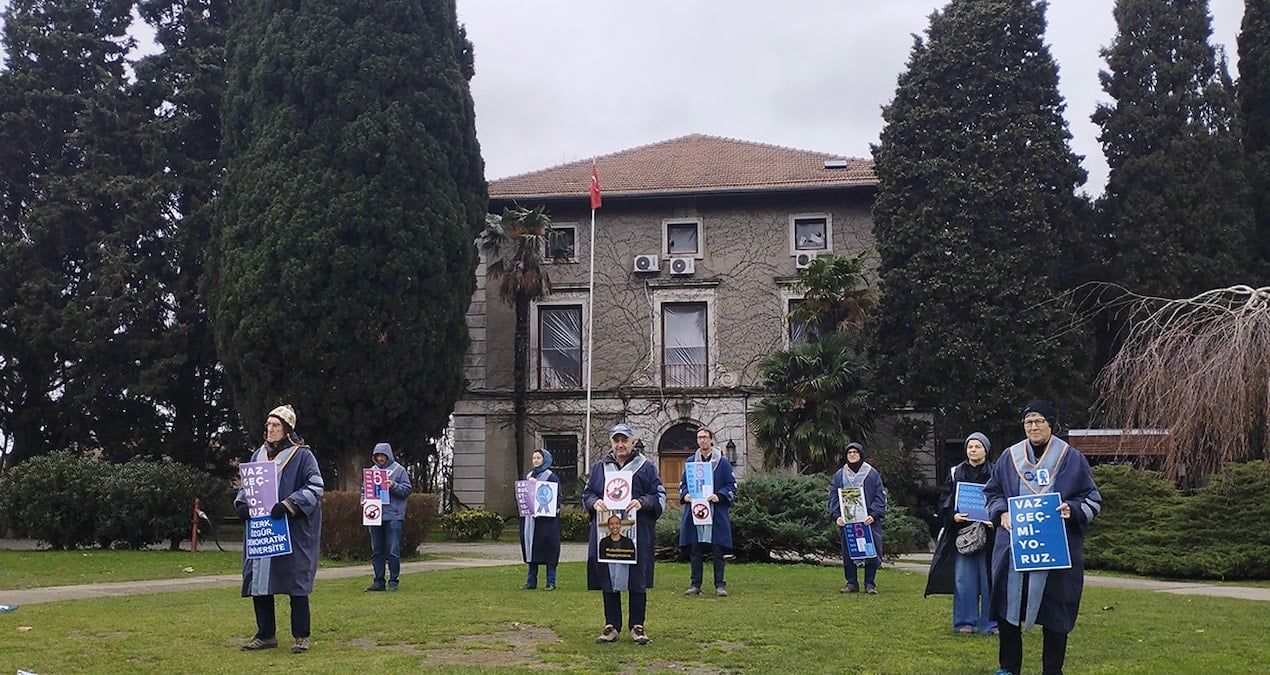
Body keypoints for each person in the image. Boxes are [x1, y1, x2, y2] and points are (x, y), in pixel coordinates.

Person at [984, 400, 1102, 675]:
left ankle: (1052, 669)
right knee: (1007, 607)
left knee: (1055, 611)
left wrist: (1072, 510)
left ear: (1051, 424)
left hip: (1056, 550)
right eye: (1029, 422)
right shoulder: (1009, 457)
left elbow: (1092, 498)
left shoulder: (1071, 458)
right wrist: (1001, 513)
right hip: (1014, 547)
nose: (1033, 426)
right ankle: (1008, 668)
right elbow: (992, 492)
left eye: (1039, 421)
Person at [235, 405, 325, 654]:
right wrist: (242, 503)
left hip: (291, 528)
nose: (270, 430)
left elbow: (316, 487)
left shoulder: (303, 456)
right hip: (262, 529)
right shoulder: (258, 456)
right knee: (260, 582)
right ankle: (265, 634)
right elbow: (247, 486)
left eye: (275, 425)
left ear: (287, 429)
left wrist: (289, 504)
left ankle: (301, 636)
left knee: (295, 581)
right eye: (268, 425)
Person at [583, 423, 665, 646]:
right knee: (609, 577)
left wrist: (642, 502)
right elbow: (588, 493)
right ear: (612, 443)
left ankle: (637, 626)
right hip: (606, 531)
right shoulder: (600, 468)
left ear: (632, 442)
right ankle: (612, 625)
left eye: (624, 440)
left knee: (636, 579)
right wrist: (594, 502)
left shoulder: (646, 468)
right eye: (616, 440)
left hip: (636, 533)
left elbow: (658, 495)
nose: (620, 445)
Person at [925, 432, 998, 634]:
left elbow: (1001, 497)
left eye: (977, 446)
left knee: (990, 579)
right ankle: (965, 622)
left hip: (990, 534)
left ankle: (992, 623)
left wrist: (996, 519)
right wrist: (953, 516)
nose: (973, 450)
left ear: (986, 449)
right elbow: (945, 500)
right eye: (970, 447)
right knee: (963, 579)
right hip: (962, 535)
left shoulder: (996, 471)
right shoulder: (956, 472)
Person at [679, 426, 737, 597]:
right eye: (699, 437)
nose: (702, 440)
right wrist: (686, 495)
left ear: (711, 439)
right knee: (695, 549)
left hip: (715, 511)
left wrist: (720, 496)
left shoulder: (722, 462)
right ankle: (695, 584)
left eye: (705, 437)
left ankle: (720, 585)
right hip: (696, 511)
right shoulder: (691, 462)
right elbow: (683, 484)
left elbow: (731, 485)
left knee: (717, 549)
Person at [828, 441, 886, 594]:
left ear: (861, 455)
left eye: (855, 452)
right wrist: (837, 516)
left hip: (868, 521)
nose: (852, 455)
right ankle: (851, 583)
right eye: (849, 453)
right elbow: (833, 496)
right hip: (848, 521)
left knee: (870, 551)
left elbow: (880, 497)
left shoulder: (872, 474)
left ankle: (870, 584)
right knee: (848, 551)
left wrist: (874, 515)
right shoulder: (840, 475)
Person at [364, 442, 412, 592]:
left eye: (382, 456)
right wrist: (363, 500)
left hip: (393, 515)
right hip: (375, 515)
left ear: (388, 455)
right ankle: (378, 581)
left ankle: (393, 581)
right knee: (377, 550)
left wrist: (393, 485)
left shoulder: (399, 470)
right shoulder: (372, 471)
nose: (379, 459)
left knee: (392, 550)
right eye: (377, 456)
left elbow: (407, 489)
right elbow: (364, 489)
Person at [519, 448, 562, 590]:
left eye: (538, 458)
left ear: (545, 459)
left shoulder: (551, 477)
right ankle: (531, 581)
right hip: (532, 521)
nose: (536, 460)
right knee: (532, 550)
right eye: (534, 458)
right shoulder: (529, 476)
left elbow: (555, 498)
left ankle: (551, 582)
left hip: (547, 522)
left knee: (549, 550)